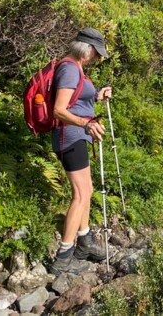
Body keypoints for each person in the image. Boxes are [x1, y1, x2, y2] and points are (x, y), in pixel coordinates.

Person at [49, 28, 113, 275]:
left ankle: (84, 243)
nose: (97, 58)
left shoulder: (76, 68)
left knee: (87, 191)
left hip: (77, 137)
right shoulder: (68, 68)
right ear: (86, 48)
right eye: (96, 53)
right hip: (70, 137)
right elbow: (59, 109)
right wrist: (86, 124)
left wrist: (98, 95)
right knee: (80, 195)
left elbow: (79, 101)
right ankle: (63, 257)